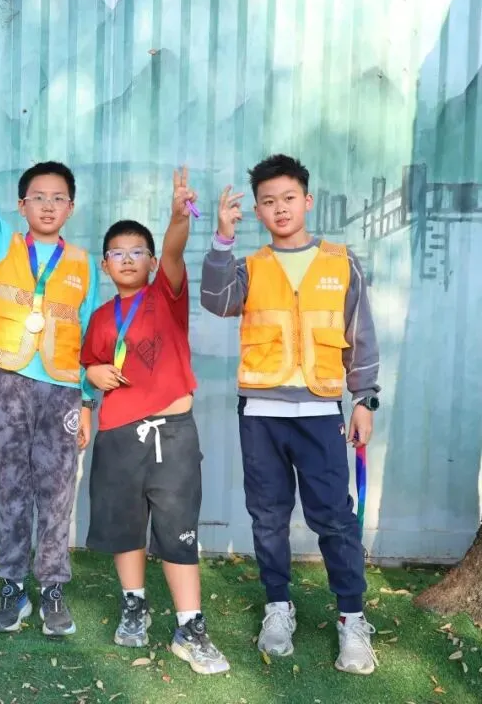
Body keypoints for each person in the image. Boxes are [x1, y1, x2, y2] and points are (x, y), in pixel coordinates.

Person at [201, 154, 381, 675]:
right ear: (257, 211)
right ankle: (278, 607)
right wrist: (222, 239)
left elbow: (361, 336)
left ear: (307, 200)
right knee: (268, 517)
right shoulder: (249, 267)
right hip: (261, 414)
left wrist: (364, 400)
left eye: (288, 198)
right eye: (268, 201)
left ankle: (352, 619)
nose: (279, 208)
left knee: (335, 519)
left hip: (321, 412)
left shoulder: (341, 263)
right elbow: (215, 300)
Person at [0, 65, 98, 637]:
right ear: (21, 205)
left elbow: (91, 335)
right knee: (14, 484)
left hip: (62, 389)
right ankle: (12, 585)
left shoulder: (84, 264)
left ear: (71, 208)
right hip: (9, 384)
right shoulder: (1, 245)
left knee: (58, 489)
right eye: (37, 197)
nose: (47, 205)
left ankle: (54, 587)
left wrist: (87, 400)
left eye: (58, 198)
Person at [82, 169, 229, 675]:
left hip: (172, 434)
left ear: (150, 261)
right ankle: (135, 606)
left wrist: (176, 216)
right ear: (104, 263)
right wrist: (92, 374)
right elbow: (90, 364)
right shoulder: (101, 317)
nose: (128, 259)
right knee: (126, 527)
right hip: (117, 435)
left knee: (177, 529)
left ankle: (190, 627)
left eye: (137, 252)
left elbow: (174, 250)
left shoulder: (166, 294)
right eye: (117, 252)